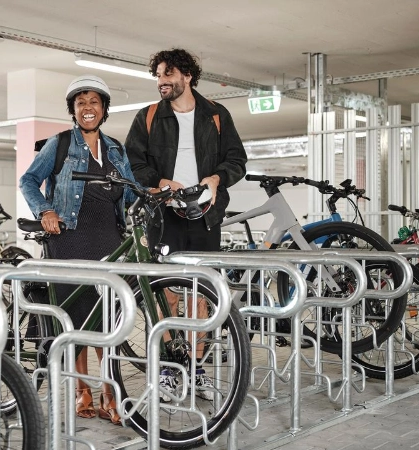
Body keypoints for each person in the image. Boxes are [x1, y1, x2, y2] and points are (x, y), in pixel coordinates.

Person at [125, 48, 248, 400]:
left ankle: (194, 368)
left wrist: (216, 179)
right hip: (163, 215)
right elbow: (135, 162)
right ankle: (168, 367)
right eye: (158, 76)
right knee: (165, 293)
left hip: (205, 214)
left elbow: (237, 160)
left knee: (200, 295)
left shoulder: (216, 115)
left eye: (167, 75)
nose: (161, 81)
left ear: (187, 76)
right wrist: (161, 182)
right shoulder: (148, 117)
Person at [19, 74, 139, 425]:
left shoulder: (116, 148)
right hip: (70, 236)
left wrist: (148, 195)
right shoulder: (58, 144)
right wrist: (45, 210)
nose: (88, 108)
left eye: (94, 102)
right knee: (78, 319)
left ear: (104, 110)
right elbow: (29, 180)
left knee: (109, 319)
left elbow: (130, 191)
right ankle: (82, 391)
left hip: (109, 238)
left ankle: (109, 392)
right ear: (73, 110)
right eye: (81, 103)